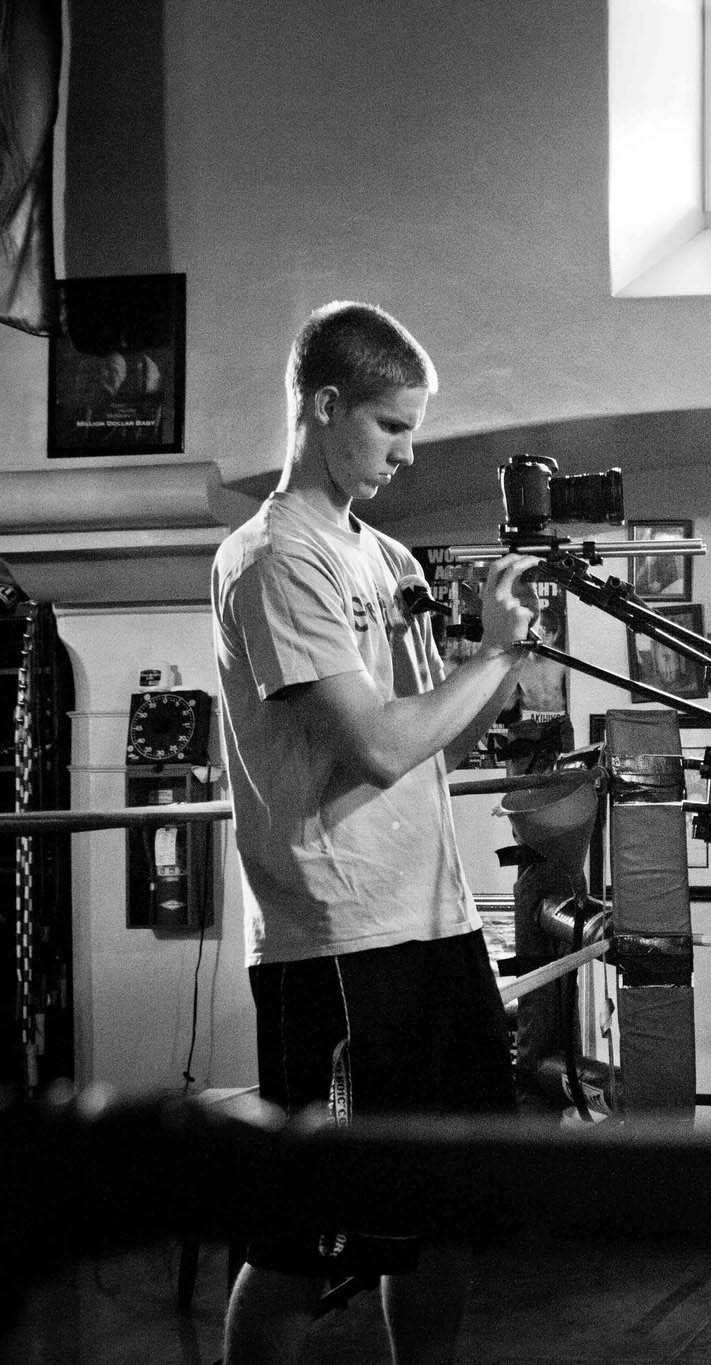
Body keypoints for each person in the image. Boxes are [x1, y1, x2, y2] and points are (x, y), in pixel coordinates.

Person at [211, 301, 539, 1365]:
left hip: (436, 924)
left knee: (440, 1216)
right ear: (324, 405)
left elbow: (442, 734)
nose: (407, 453)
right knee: (305, 1242)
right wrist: (492, 660)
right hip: (339, 941)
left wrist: (502, 654)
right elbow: (381, 748)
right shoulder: (275, 558)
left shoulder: (386, 555)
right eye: (392, 426)